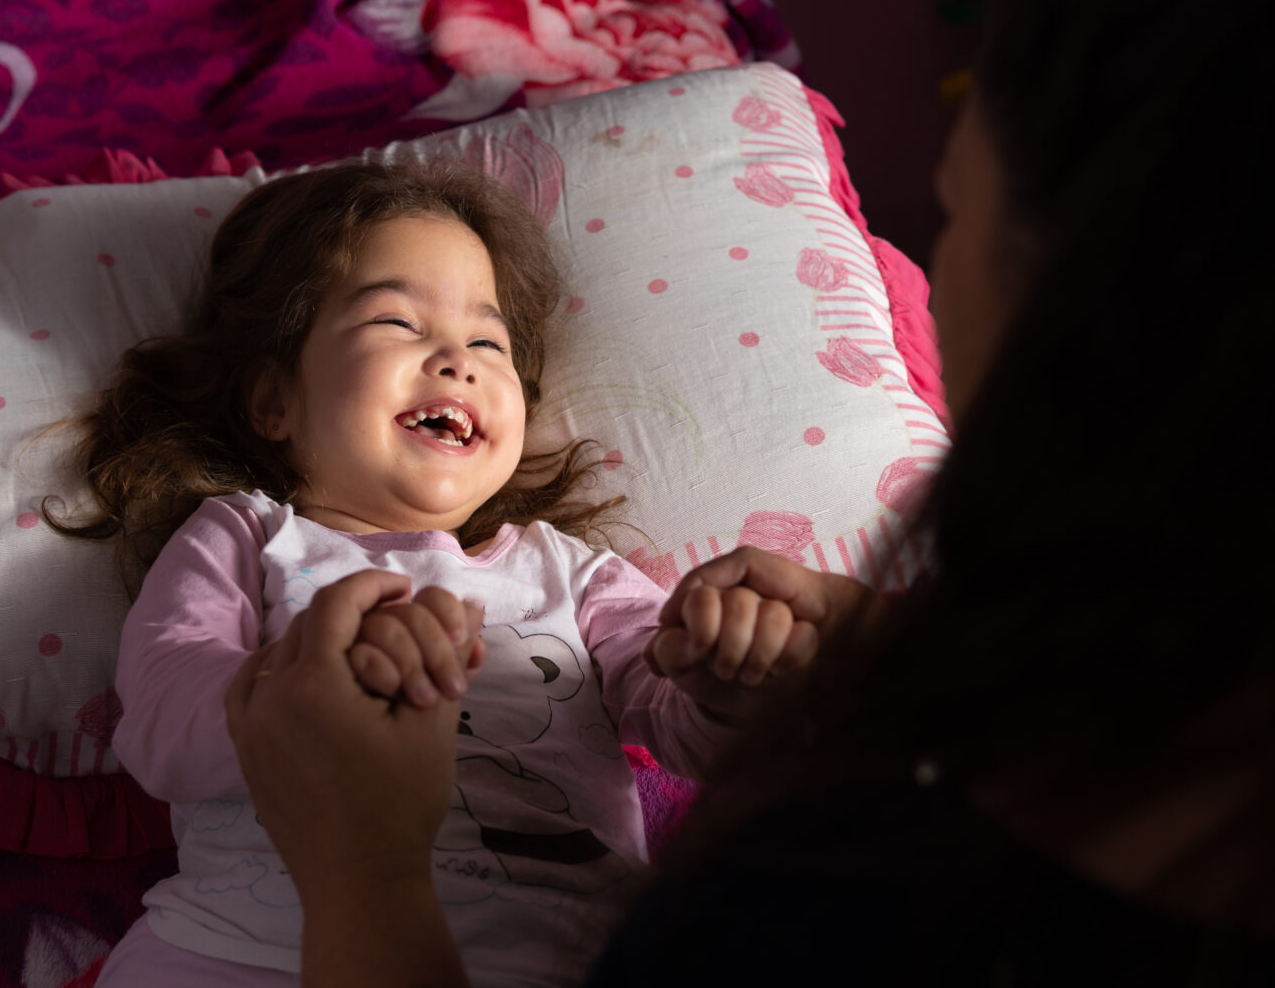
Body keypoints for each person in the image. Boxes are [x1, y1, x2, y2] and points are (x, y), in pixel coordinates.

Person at [222, 0, 1275, 983]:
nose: (918, 276)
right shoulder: (239, 538)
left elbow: (667, 711)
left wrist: (364, 878)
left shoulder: (819, 911)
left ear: (1072, 318)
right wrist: (890, 659)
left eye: (951, 215)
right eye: (392, 322)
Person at [47, 160, 831, 988]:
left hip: (561, 956)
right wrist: (302, 683)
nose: (458, 360)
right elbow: (161, 724)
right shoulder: (245, 537)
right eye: (395, 321)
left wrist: (732, 680)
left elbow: (687, 728)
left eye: (488, 341)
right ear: (274, 400)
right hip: (239, 948)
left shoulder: (573, 575)